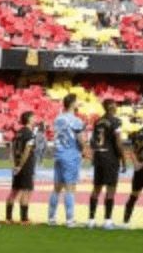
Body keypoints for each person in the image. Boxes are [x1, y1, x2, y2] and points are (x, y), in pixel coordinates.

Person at [47, 94, 85, 227]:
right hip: (71, 154)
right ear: (72, 103)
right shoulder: (76, 120)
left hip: (59, 154)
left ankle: (51, 218)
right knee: (70, 187)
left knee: (56, 187)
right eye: (77, 101)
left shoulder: (58, 119)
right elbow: (80, 139)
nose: (78, 104)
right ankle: (70, 219)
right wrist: (84, 149)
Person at [87, 99, 124, 229]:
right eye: (115, 104)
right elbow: (118, 143)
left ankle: (91, 220)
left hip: (98, 156)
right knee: (111, 188)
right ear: (110, 106)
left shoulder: (97, 121)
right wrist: (123, 159)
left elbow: (92, 140)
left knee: (96, 188)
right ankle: (107, 221)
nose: (116, 106)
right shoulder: (116, 121)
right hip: (110, 157)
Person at [7, 111, 39, 223]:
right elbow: (27, 150)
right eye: (34, 117)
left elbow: (11, 149)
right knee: (26, 190)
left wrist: (14, 165)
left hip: (16, 165)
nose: (36, 119)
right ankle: (24, 219)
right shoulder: (30, 134)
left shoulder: (17, 133)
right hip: (26, 166)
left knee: (14, 190)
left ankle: (8, 218)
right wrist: (20, 165)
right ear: (29, 119)